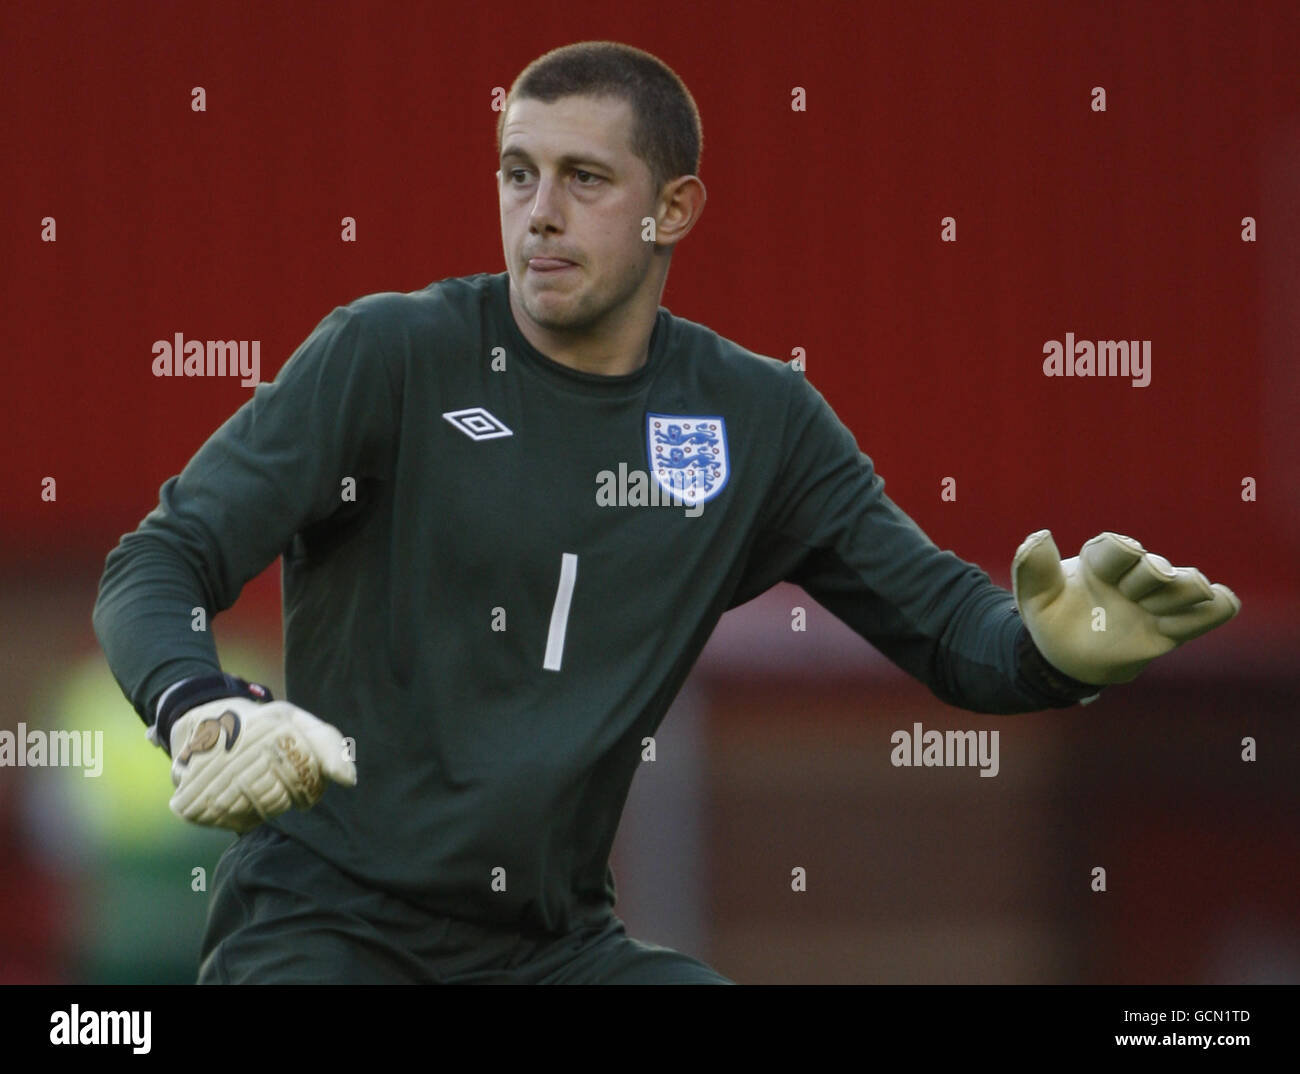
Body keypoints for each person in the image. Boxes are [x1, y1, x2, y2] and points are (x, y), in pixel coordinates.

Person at [92, 40, 1241, 985]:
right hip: (325, 931)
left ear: (673, 208)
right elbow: (159, 560)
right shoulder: (390, 355)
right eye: (515, 173)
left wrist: (1055, 654)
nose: (539, 214)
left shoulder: (758, 419)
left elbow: (952, 631)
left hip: (552, 951)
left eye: (584, 179)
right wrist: (202, 705)